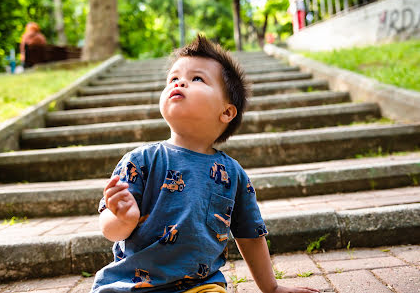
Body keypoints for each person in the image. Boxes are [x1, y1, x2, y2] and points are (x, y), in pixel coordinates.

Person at [91, 35, 319, 293]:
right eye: (173, 79)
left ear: (226, 112)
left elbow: (250, 235)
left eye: (196, 78)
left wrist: (272, 288)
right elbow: (110, 230)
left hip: (200, 286)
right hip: (129, 287)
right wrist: (123, 219)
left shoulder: (232, 174)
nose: (180, 82)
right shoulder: (140, 160)